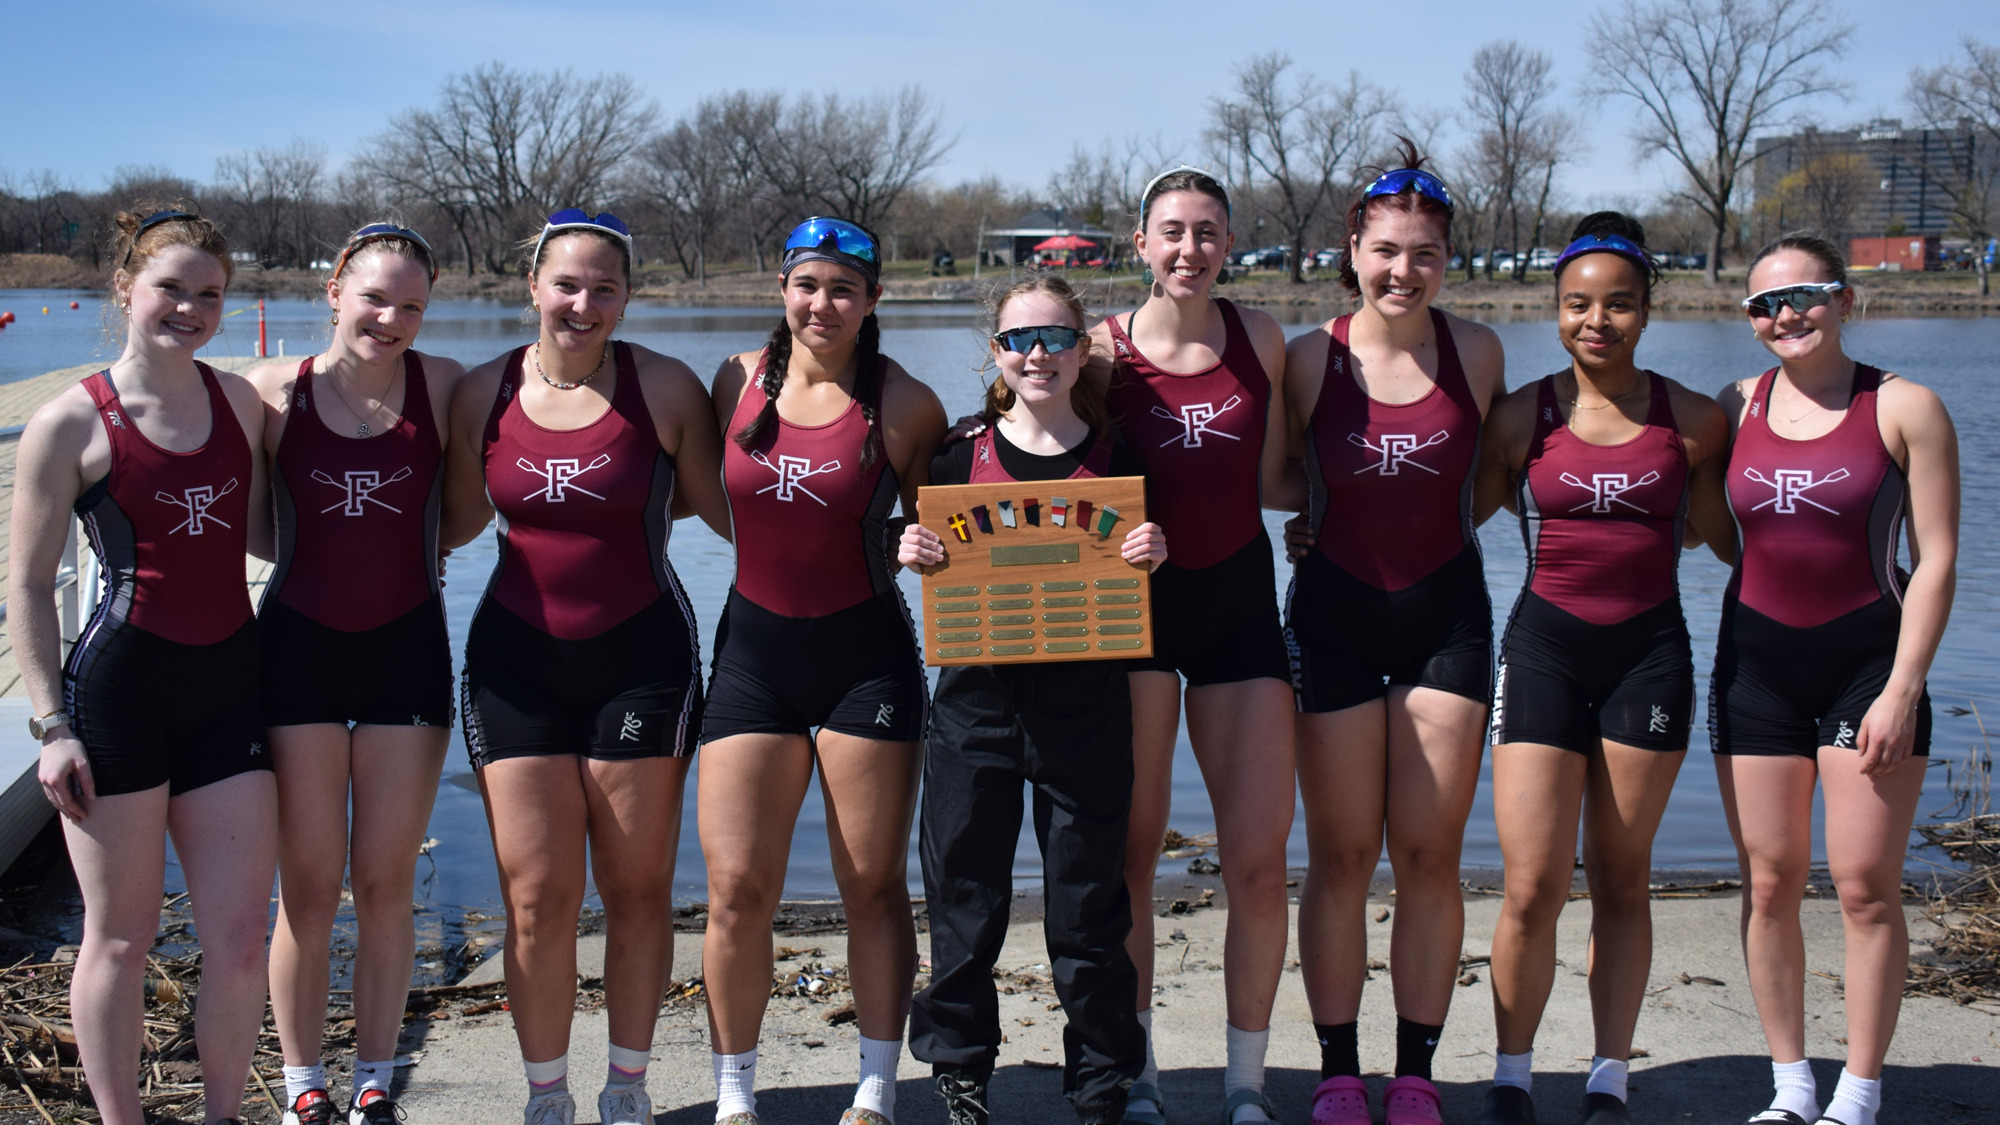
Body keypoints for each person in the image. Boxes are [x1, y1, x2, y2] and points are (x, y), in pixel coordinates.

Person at [440, 209, 727, 1125]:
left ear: (627, 299)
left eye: (606, 288)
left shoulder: (668, 387)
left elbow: (729, 509)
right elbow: (443, 527)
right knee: (535, 895)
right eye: (566, 283)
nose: (584, 303)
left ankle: (629, 1088)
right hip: (513, 663)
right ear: (533, 287)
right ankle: (547, 1094)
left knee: (638, 887)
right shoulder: (480, 394)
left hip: (641, 659)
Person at [13, 206, 275, 1125]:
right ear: (126, 288)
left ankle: (223, 1114)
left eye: (211, 294)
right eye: (172, 287)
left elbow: (296, 515)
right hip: (118, 695)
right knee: (121, 936)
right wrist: (51, 726)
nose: (192, 308)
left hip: (228, 693)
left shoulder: (240, 401)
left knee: (242, 937)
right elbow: (31, 588)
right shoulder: (68, 421)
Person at [1473, 212, 1733, 1125]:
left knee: (1623, 877)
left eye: (1619, 304)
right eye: (1579, 304)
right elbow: (1440, 517)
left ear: (1648, 310)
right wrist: (1312, 525)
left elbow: (1730, 538)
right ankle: (1511, 1071)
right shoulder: (1519, 417)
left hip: (1648, 659)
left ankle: (1609, 1075)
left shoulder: (1695, 422)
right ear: (1555, 310)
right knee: (1534, 883)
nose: (1598, 321)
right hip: (1542, 653)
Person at [900, 274, 1166, 1125]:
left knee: (1088, 907)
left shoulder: (1121, 456)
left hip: (1086, 702)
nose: (1037, 353)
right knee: (964, 900)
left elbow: (1150, 568)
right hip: (974, 702)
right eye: (1019, 338)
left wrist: (1154, 548)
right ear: (996, 350)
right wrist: (910, 546)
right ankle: (962, 1074)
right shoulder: (954, 452)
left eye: (1055, 336)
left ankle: (1099, 1086)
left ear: (1083, 347)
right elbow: (920, 546)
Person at [699, 216, 945, 1125]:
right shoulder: (732, 380)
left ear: (873, 299)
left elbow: (949, 517)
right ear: (782, 287)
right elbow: (688, 493)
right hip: (752, 658)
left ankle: (875, 1088)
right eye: (808, 284)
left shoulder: (906, 403)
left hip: (866, 661)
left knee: (873, 884)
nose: (823, 304)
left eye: (844, 288)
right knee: (734, 890)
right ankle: (734, 1093)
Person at [1279, 149, 1506, 1125]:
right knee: (1338, 856)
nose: (1401, 272)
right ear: (1351, 250)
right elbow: (1266, 478)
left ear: (1445, 259)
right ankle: (1337, 1068)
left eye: (1422, 255)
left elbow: (1488, 480)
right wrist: (1318, 518)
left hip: (1443, 616)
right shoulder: (1304, 357)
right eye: (1384, 252)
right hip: (1331, 611)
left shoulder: (1479, 354)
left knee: (1426, 854)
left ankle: (1413, 1071)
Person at [1711, 234, 1958, 1125]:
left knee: (1862, 885)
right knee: (1770, 882)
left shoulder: (1905, 407)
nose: (1786, 316)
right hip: (1755, 669)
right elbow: (1679, 511)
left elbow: (1935, 560)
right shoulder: (1734, 405)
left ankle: (1858, 1090)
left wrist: (1902, 686)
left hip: (1868, 669)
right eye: (1765, 305)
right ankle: (1789, 1085)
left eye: (1805, 295)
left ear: (1845, 299)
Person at [1088, 167, 1296, 1125]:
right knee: (1133, 855)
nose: (1189, 249)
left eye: (1208, 232)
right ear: (1141, 243)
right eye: (1171, 231)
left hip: (1240, 609)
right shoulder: (1098, 353)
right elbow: (1041, 470)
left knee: (1256, 861)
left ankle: (1246, 1080)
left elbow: (1289, 472)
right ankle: (1139, 1073)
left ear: (1228, 244)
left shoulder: (1259, 338)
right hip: (1131, 620)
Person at [243, 223, 463, 1125]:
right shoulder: (266, 392)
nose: (391, 318)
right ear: (335, 288)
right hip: (294, 652)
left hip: (406, 653)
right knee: (306, 885)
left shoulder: (444, 387)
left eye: (411, 305)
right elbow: (244, 516)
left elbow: (476, 504)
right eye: (375, 297)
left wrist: (397, 554)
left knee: (384, 883)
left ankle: (374, 1074)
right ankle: (304, 1082)